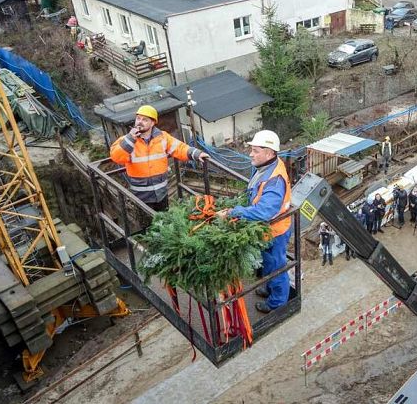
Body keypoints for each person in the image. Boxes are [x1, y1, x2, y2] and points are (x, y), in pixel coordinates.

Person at [218, 130, 291, 313]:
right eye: (251, 149)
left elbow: (264, 211)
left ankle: (277, 303)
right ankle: (268, 289)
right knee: (268, 263)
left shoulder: (274, 180)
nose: (251, 154)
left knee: (277, 268)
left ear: (270, 153)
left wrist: (235, 212)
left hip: (275, 231)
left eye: (256, 150)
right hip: (267, 230)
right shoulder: (263, 166)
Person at [110, 105, 208, 212]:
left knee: (163, 221)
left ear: (152, 123)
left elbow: (179, 148)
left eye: (145, 120)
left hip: (161, 193)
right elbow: (116, 157)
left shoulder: (162, 137)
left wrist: (197, 154)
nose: (140, 122)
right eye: (138, 118)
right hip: (141, 196)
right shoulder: (126, 140)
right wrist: (130, 139)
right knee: (148, 225)